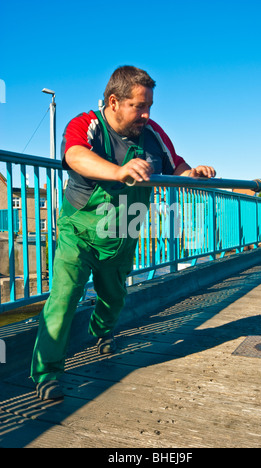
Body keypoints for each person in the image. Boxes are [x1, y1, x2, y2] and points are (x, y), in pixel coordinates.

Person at [31, 66, 216, 400]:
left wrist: (193, 174)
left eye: (149, 106)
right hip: (81, 232)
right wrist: (119, 171)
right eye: (139, 106)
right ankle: (46, 372)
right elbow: (74, 155)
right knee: (64, 297)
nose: (146, 114)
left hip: (124, 232)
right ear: (114, 101)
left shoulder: (153, 132)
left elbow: (176, 165)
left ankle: (102, 332)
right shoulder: (87, 124)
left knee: (114, 298)